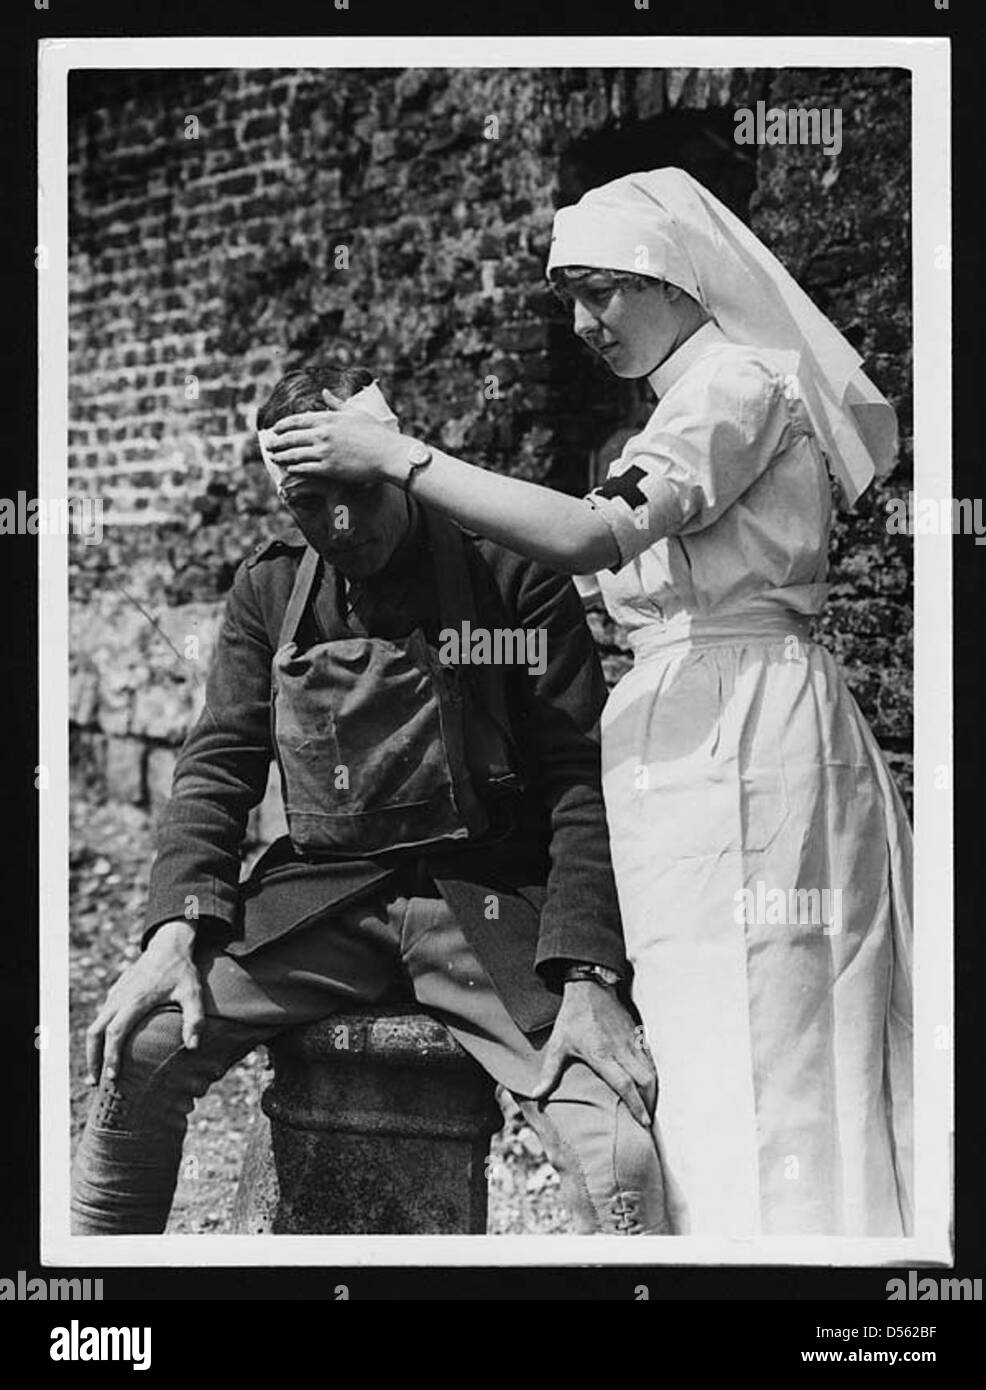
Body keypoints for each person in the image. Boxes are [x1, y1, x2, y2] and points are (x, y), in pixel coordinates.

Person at [263, 168, 914, 1238]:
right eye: (569, 298)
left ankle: (788, 1257)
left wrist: (398, 455)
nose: (582, 323)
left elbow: (581, 536)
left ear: (676, 278)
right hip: (690, 735)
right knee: (700, 1031)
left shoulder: (734, 388)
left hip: (749, 732)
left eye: (603, 290)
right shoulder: (681, 406)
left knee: (769, 1028)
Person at [72, 363, 671, 1237]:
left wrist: (587, 972)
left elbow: (581, 777)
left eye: (356, 489)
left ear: (393, 463)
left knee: (617, 1152)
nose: (340, 524)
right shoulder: (270, 592)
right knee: (140, 1050)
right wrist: (174, 930)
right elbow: (218, 764)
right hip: (322, 903)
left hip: (492, 912)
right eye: (309, 504)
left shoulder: (511, 577)